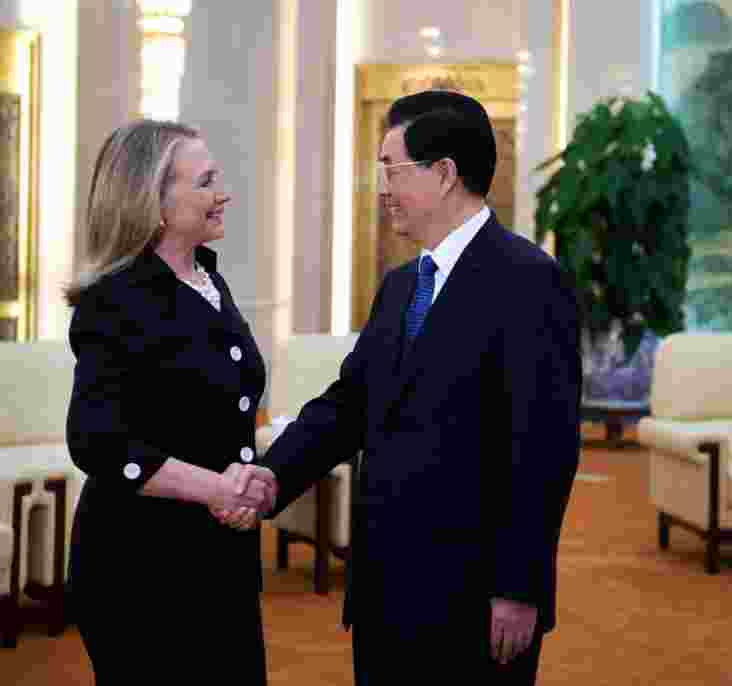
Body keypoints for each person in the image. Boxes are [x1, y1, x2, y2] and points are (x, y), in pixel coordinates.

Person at [250, 90, 582, 684]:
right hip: (385, 590)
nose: (381, 187)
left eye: (390, 168)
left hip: (474, 600)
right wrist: (273, 475)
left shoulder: (531, 282)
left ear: (445, 174)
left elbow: (543, 452)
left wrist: (518, 588)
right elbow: (350, 403)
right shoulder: (403, 285)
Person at [65, 120, 278, 685]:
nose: (223, 192)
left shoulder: (207, 277)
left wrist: (246, 483)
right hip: (141, 570)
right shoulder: (116, 299)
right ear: (154, 201)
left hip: (219, 560)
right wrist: (219, 489)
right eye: (206, 180)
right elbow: (97, 439)